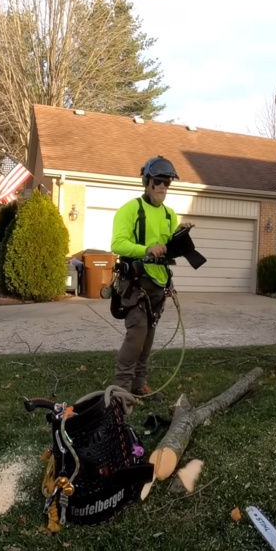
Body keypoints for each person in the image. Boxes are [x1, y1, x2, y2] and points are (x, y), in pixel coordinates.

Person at [110, 156, 193, 396]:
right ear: (146, 182)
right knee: (136, 335)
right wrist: (145, 249)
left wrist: (179, 235)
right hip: (135, 282)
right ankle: (121, 390)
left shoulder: (169, 215)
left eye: (166, 183)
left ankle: (139, 384)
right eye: (157, 181)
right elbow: (117, 243)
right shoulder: (131, 209)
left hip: (159, 283)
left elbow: (166, 246)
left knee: (148, 337)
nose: (162, 187)